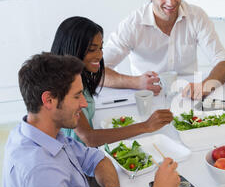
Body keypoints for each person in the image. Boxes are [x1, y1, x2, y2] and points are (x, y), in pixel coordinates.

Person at [3, 53, 180, 187]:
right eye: (77, 95)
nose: (84, 104)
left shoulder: (40, 132)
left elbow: (98, 159)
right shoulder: (39, 172)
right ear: (49, 100)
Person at [102, 0, 225, 100]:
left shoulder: (196, 16)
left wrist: (205, 86)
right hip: (148, 97)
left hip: (188, 97)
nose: (171, 2)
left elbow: (224, 64)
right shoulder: (133, 24)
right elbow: (96, 71)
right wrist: (136, 82)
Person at [51, 16, 173, 148]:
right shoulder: (66, 85)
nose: (99, 55)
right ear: (73, 49)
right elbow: (89, 137)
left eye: (100, 48)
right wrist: (146, 126)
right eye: (92, 49)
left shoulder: (79, 76)